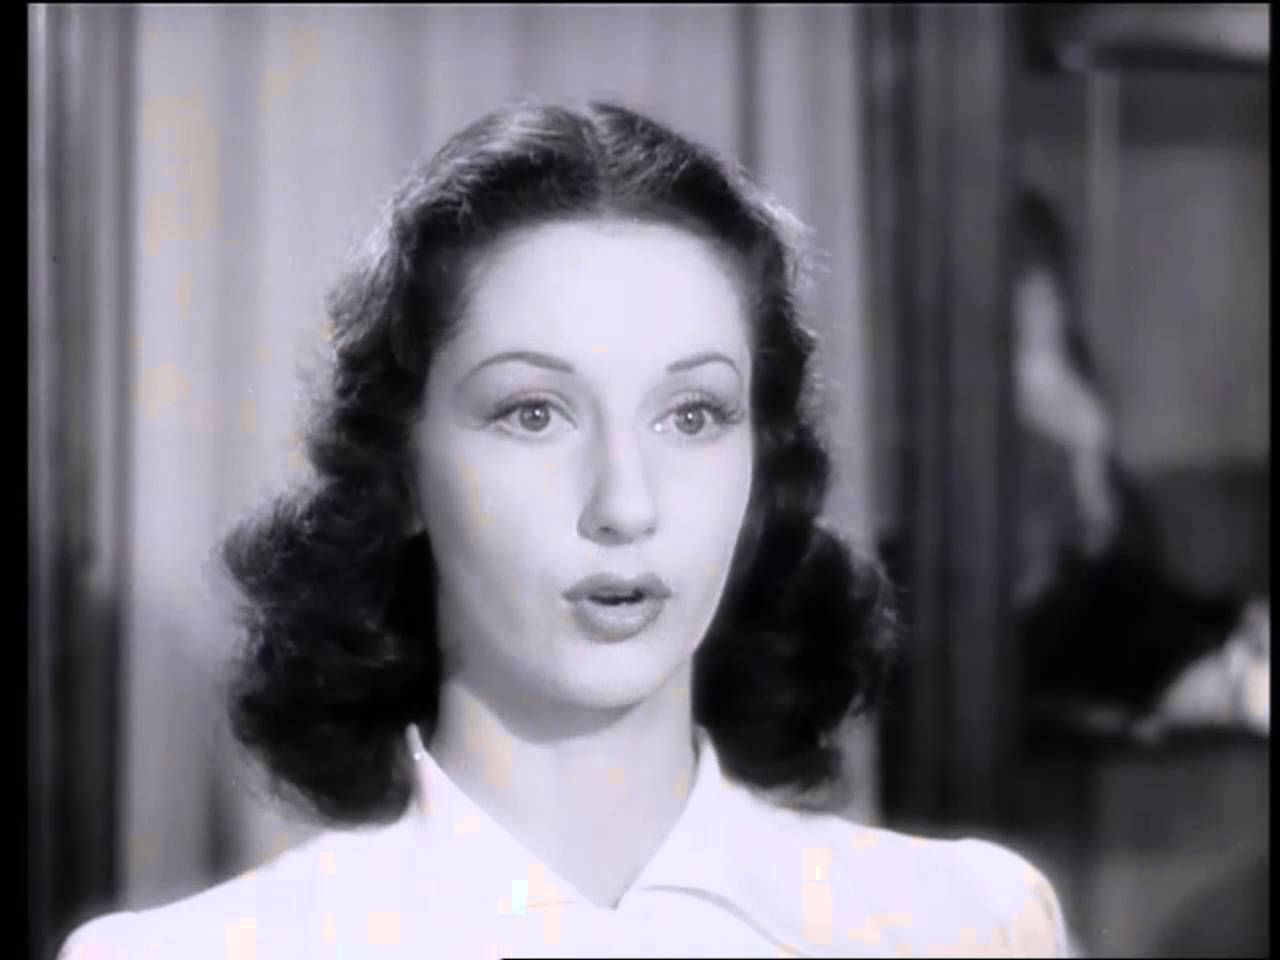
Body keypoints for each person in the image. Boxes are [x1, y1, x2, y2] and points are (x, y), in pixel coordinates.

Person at [59, 102, 1069, 959]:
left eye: (691, 415)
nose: (625, 502)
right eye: (533, 413)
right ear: (401, 469)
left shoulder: (966, 928)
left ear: (759, 464)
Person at [1011, 186, 1269, 742]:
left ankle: (1233, 658)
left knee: (1200, 616)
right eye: (1029, 294)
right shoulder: (983, 419)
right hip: (1055, 638)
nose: (1044, 312)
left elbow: (1120, 540)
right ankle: (1227, 672)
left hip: (1115, 608)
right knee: (1155, 627)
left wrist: (1088, 448)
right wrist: (1078, 447)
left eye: (1050, 293)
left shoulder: (1071, 390)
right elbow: (1034, 585)